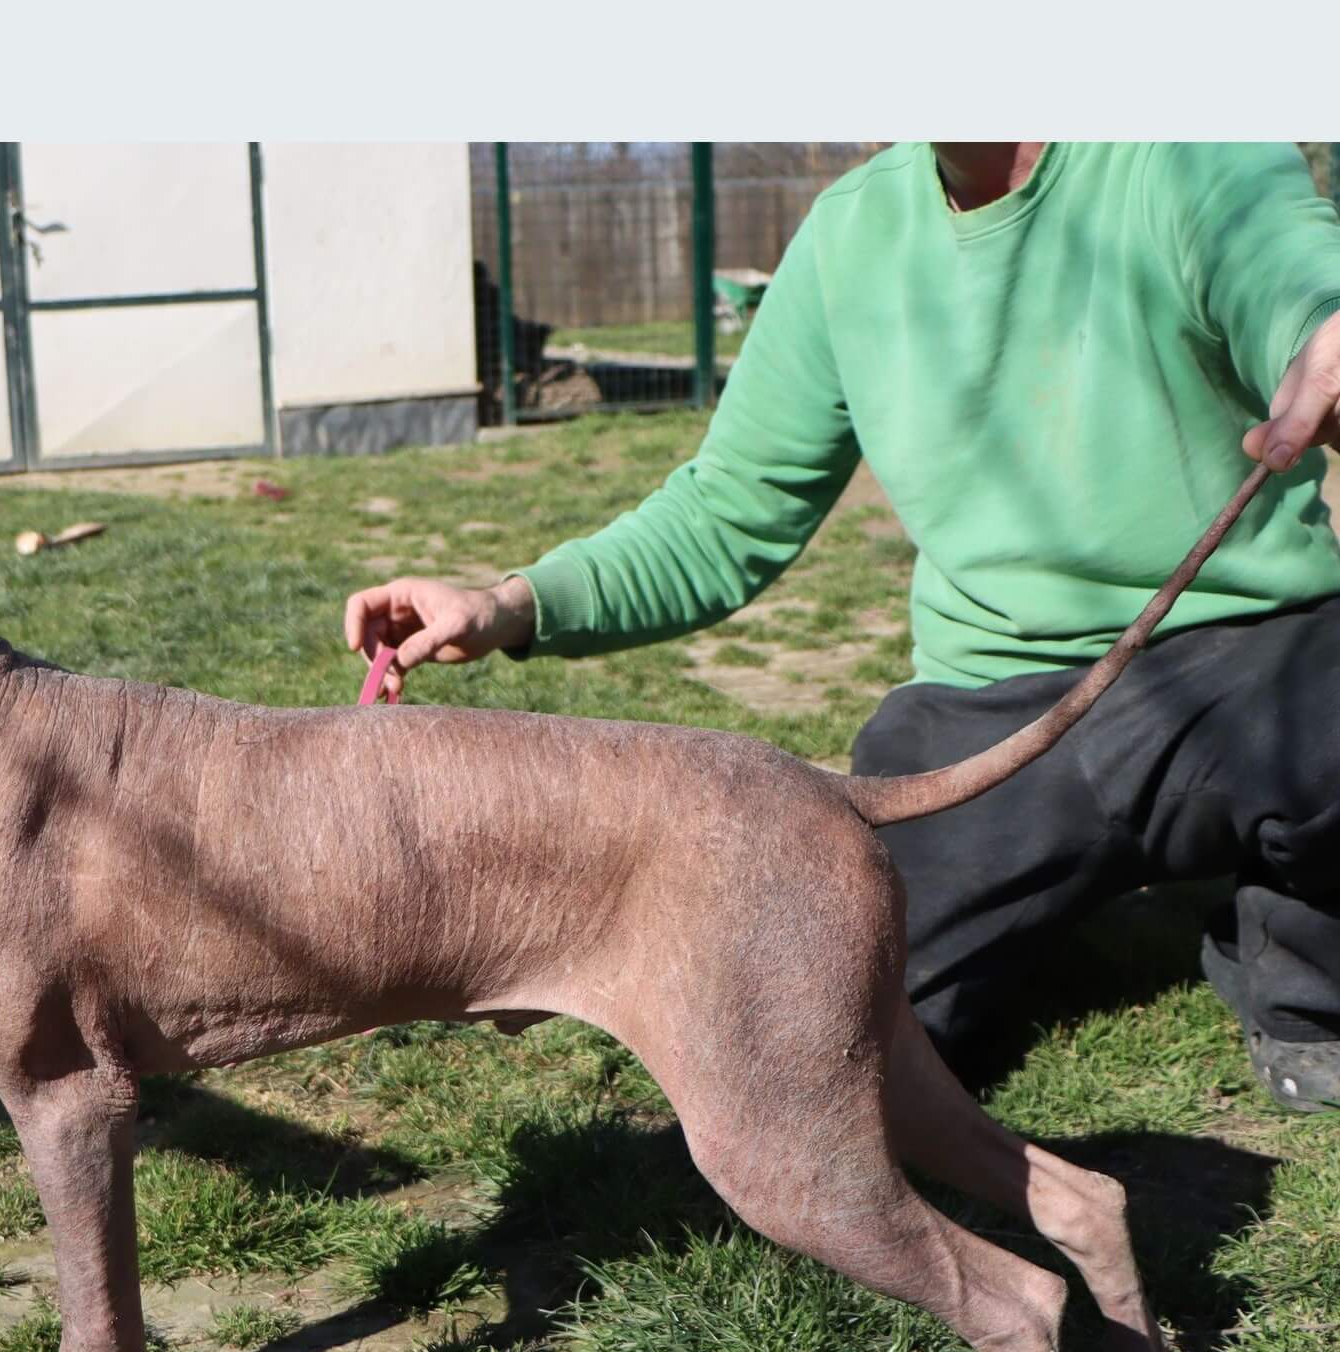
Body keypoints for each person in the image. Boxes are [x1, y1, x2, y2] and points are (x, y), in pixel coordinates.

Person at [344, 143, 1340, 1112]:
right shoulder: (849, 236)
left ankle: (1298, 973)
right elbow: (727, 510)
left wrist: (1321, 330)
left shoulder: (1182, 154)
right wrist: (512, 603)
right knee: (839, 1049)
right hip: (984, 708)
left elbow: (1293, 284)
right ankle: (1034, 904)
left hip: (1242, 659)